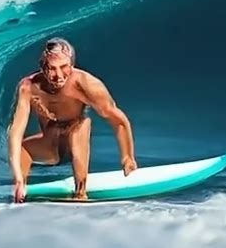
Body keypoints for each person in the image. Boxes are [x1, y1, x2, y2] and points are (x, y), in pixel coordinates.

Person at [7, 37, 138, 203]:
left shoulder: (85, 84)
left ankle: (80, 194)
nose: (59, 75)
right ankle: (20, 192)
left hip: (76, 135)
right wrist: (18, 177)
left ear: (72, 65)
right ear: (42, 67)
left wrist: (127, 157)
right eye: (52, 69)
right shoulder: (28, 87)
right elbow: (15, 132)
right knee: (23, 148)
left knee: (80, 127)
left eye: (64, 67)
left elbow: (117, 119)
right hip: (51, 143)